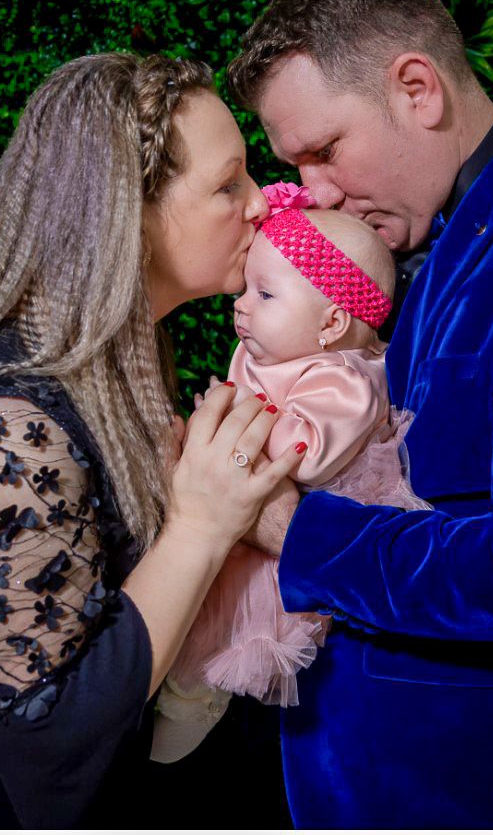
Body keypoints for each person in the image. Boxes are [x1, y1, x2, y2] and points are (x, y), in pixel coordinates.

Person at [224, 0, 493, 830]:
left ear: (417, 89)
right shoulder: (438, 237)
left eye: (324, 151)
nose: (313, 193)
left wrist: (291, 527)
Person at [0, 51, 289, 827]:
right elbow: (47, 746)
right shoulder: (1, 424)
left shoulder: (110, 360)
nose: (261, 204)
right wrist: (201, 528)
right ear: (129, 217)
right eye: (228, 185)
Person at [165, 189, 419, 723]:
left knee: (235, 626)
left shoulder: (343, 381)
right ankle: (180, 690)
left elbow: (306, 457)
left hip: (289, 546)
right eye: (247, 289)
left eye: (265, 294)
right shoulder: (270, 350)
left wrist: (229, 425)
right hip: (240, 515)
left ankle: (196, 701)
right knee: (196, 602)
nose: (241, 303)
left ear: (330, 325)